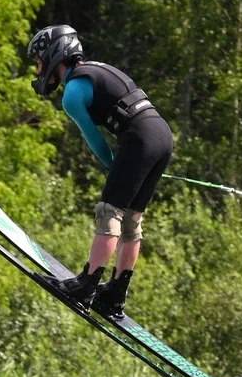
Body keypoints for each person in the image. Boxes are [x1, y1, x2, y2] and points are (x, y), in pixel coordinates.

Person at [26, 24, 173, 318]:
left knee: (110, 212)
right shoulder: (96, 68)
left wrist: (111, 164)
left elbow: (95, 141)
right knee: (132, 220)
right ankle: (116, 293)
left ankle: (87, 283)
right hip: (162, 136)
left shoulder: (73, 93)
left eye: (39, 62)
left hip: (140, 139)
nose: (39, 69)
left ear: (54, 55)